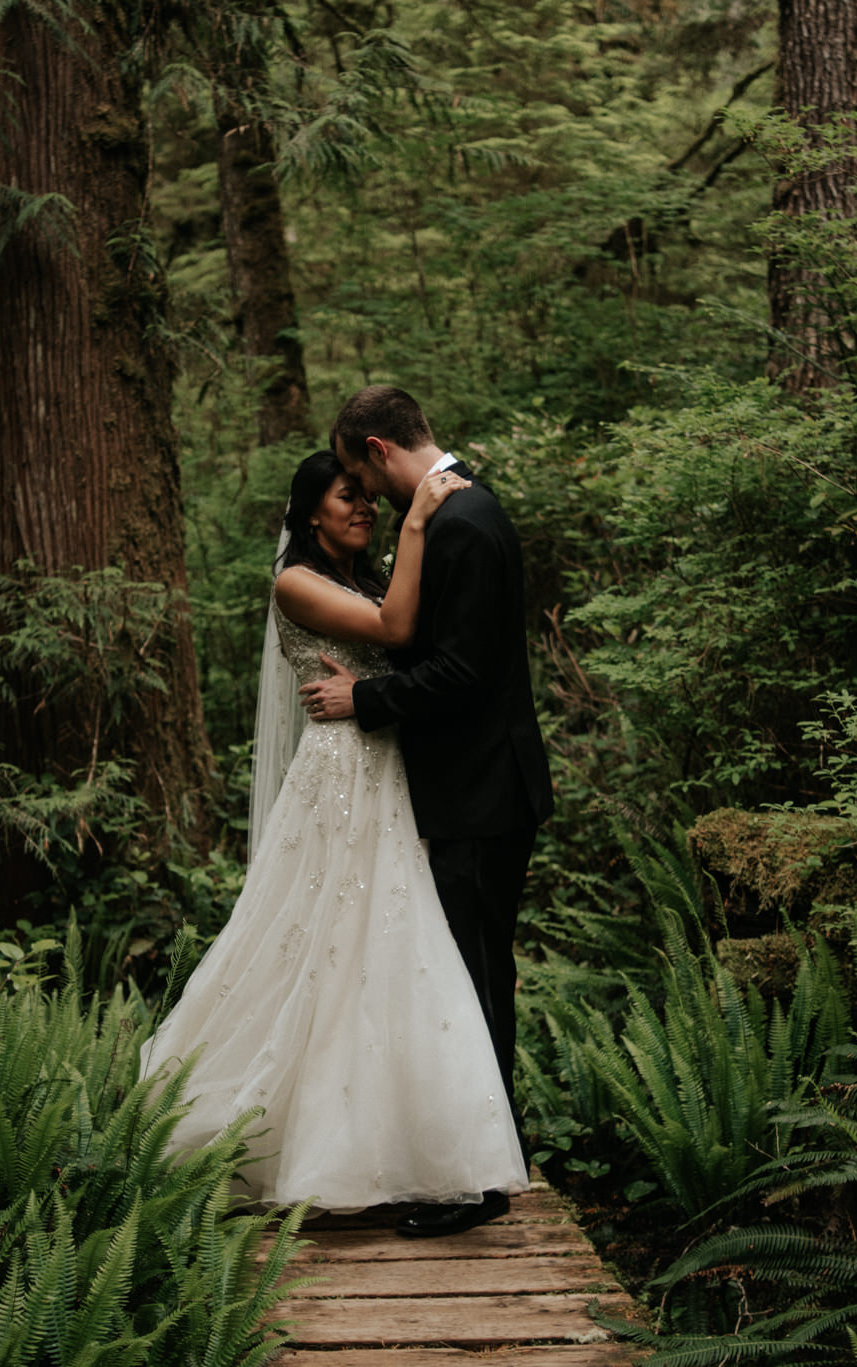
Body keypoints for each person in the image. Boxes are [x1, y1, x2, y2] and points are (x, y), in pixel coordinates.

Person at [139, 449, 528, 1220]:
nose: (364, 507)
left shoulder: (365, 573)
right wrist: (419, 514)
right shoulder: (296, 582)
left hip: (392, 769)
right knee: (325, 945)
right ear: (309, 511)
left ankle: (412, 1146)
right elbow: (395, 628)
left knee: (390, 952)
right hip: (342, 777)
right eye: (346, 497)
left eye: (368, 497)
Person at [299, 384, 554, 1239]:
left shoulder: (462, 522)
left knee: (475, 981)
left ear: (376, 448)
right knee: (474, 977)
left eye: (354, 474)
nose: (363, 496)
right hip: (476, 788)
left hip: (481, 792)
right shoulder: (457, 514)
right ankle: (487, 1154)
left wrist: (364, 697)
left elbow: (464, 674)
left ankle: (474, 1185)